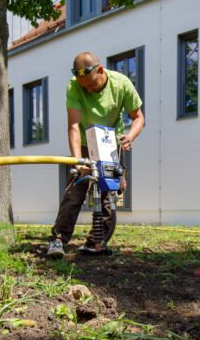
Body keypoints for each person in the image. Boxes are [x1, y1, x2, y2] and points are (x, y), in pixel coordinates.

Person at [47, 51, 144, 257]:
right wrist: (78, 161)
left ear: (100, 70)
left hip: (110, 142)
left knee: (109, 192)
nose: (88, 89)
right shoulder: (75, 85)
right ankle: (58, 240)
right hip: (84, 141)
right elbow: (73, 125)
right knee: (75, 191)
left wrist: (130, 136)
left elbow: (138, 117)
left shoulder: (121, 84)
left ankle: (97, 242)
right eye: (85, 87)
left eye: (92, 84)